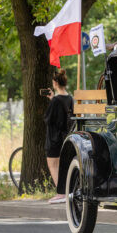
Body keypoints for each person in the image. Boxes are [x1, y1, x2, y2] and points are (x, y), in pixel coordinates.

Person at [44, 69, 73, 204]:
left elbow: (48, 119)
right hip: (66, 137)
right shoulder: (70, 98)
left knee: (53, 165)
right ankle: (66, 191)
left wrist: (51, 101)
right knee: (63, 165)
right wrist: (52, 99)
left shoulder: (56, 100)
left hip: (54, 138)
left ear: (55, 83)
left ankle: (61, 193)